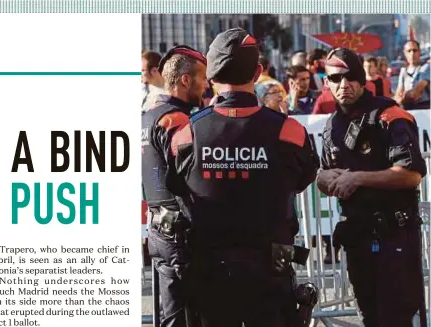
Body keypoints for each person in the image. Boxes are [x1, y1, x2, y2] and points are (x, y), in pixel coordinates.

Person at [173, 28, 319, 327]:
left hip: (210, 272)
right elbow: (303, 178)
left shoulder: (187, 134)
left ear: (211, 76)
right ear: (259, 72)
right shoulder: (288, 131)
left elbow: (175, 186)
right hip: (270, 273)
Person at [316, 47, 427, 327]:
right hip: (358, 236)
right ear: (326, 82)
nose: (344, 85)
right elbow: (325, 175)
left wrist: (358, 178)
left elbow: (411, 174)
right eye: (336, 78)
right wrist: (323, 179)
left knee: (394, 319)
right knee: (370, 318)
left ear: (362, 79)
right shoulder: (332, 125)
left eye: (351, 77)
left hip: (395, 236)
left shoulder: (389, 115)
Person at [141, 45, 207, 327]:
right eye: (203, 78)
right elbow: (190, 177)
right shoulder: (176, 120)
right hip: (180, 233)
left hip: (158, 228)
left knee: (169, 313)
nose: (206, 85)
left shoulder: (148, 114)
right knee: (184, 316)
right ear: (185, 80)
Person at [394, 40, 430, 110]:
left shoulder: (426, 67)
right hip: (408, 110)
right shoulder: (403, 71)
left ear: (419, 51)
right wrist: (402, 97)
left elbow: (414, 94)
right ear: (405, 53)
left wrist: (403, 96)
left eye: (415, 50)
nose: (412, 53)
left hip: (424, 109)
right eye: (409, 51)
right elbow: (397, 95)